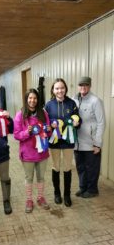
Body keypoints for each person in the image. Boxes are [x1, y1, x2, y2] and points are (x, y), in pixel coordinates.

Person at [14, 88, 51, 213]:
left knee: (41, 177)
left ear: (37, 99)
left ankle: (40, 197)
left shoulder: (43, 113)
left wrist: (48, 129)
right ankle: (29, 200)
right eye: (30, 98)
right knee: (29, 178)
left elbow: (48, 129)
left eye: (35, 98)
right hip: (28, 153)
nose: (32, 100)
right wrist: (27, 132)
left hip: (42, 152)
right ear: (26, 99)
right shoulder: (20, 114)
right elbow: (16, 134)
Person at [45, 78, 80, 207]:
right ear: (53, 90)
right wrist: (48, 126)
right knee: (56, 167)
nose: (60, 90)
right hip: (54, 141)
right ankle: (57, 193)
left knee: (67, 168)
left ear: (65, 89)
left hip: (68, 141)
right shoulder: (48, 105)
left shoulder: (72, 103)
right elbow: (45, 122)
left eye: (62, 88)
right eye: (57, 88)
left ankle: (66, 195)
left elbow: (77, 118)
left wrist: (77, 122)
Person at [73, 76, 105, 198]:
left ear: (90, 86)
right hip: (77, 142)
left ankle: (92, 190)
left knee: (91, 168)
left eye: (86, 85)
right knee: (80, 167)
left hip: (91, 143)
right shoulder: (74, 99)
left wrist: (98, 143)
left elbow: (101, 123)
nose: (83, 87)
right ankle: (83, 187)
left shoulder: (96, 101)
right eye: (81, 85)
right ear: (78, 86)